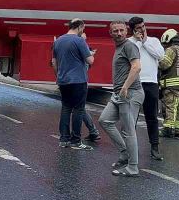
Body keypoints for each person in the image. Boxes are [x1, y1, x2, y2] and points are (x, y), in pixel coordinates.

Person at [99, 20, 144, 177]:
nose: (119, 33)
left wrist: (125, 87)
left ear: (127, 32)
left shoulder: (129, 46)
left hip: (130, 93)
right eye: (115, 31)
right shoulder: (119, 47)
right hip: (119, 94)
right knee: (104, 120)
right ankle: (125, 153)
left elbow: (137, 67)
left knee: (128, 131)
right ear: (110, 33)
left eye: (121, 30)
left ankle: (133, 167)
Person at [51, 18, 97, 150]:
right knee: (78, 109)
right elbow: (90, 61)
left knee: (65, 108)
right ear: (80, 27)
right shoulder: (79, 40)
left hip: (63, 80)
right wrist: (91, 54)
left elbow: (54, 62)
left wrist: (59, 77)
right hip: (78, 80)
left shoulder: (58, 40)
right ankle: (76, 140)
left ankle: (64, 139)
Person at [128, 17, 165, 161]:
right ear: (133, 30)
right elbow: (131, 57)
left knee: (152, 117)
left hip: (151, 83)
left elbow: (160, 56)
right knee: (132, 118)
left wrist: (144, 42)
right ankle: (130, 148)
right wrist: (137, 42)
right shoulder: (130, 43)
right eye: (138, 28)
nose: (142, 29)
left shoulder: (154, 41)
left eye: (143, 26)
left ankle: (154, 147)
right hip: (135, 83)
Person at [159, 29, 179, 138]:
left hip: (172, 85)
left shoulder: (171, 50)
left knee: (170, 107)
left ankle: (168, 129)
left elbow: (164, 64)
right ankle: (178, 130)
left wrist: (157, 60)